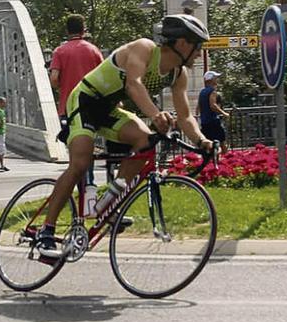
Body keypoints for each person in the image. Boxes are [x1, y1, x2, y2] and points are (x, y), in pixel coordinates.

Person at [35, 14, 214, 257]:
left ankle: (106, 204)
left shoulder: (178, 74)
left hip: (109, 109)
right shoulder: (145, 48)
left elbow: (185, 116)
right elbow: (133, 84)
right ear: (182, 43)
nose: (198, 52)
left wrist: (201, 140)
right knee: (80, 163)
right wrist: (156, 114)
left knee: (145, 140)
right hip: (86, 100)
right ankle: (46, 231)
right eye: (197, 45)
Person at [49, 13, 104, 187]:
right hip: (91, 107)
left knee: (75, 149)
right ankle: (89, 185)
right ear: (83, 29)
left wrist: (61, 85)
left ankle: (78, 188)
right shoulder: (93, 50)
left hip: (68, 107)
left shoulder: (60, 51)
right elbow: (104, 76)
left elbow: (54, 79)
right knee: (89, 147)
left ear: (67, 30)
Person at [197, 71, 231, 154]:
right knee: (222, 143)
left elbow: (198, 107)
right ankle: (227, 162)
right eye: (215, 78)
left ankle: (211, 162)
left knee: (208, 145)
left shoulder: (202, 92)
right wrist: (224, 113)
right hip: (214, 121)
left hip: (205, 122)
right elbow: (213, 105)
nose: (217, 80)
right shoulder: (212, 91)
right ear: (210, 80)